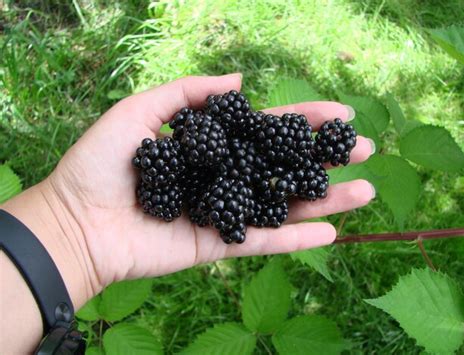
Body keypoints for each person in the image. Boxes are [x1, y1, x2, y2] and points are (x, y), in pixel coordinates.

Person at [0, 74, 375, 353]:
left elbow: (239, 178)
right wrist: (69, 221)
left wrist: (68, 232)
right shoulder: (201, 168)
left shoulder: (243, 168)